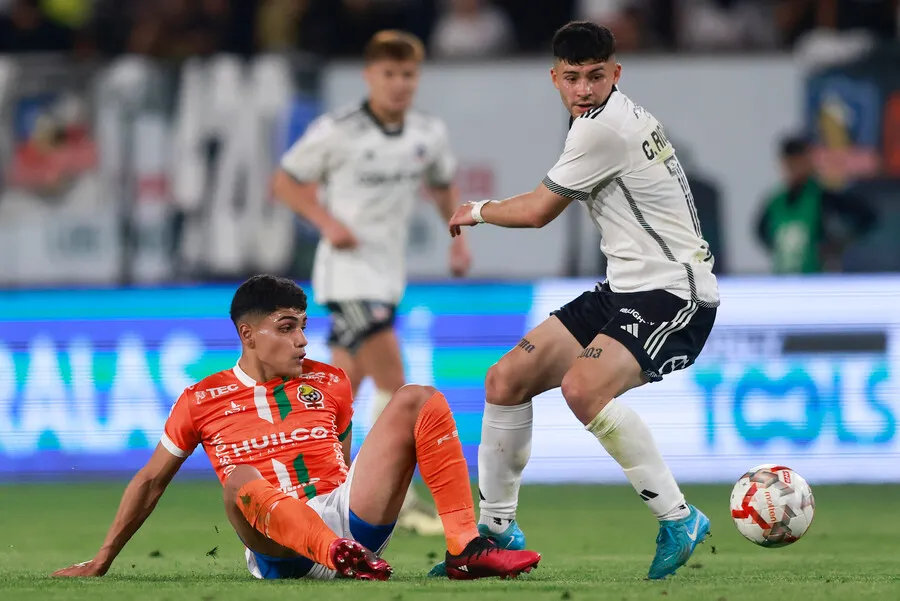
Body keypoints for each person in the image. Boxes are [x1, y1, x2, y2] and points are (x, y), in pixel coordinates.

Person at [433, 21, 719, 580]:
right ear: (555, 79)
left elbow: (539, 211)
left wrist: (477, 209)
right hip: (625, 288)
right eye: (572, 79)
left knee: (582, 386)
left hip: (674, 292)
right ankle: (494, 532)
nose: (584, 89)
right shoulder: (595, 119)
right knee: (504, 380)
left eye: (595, 77)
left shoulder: (602, 129)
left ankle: (678, 517)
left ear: (616, 73)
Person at [52, 275, 540, 581]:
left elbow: (345, 459)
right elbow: (150, 480)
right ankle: (337, 555)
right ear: (248, 334)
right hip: (278, 546)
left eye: (303, 325)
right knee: (239, 479)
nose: (303, 340)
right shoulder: (200, 399)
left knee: (417, 397)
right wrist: (103, 558)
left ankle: (464, 549)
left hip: (348, 519)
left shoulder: (331, 381)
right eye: (286, 328)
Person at [273, 29, 471, 535]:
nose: (399, 84)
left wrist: (458, 238)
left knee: (337, 391)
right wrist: (325, 221)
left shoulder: (428, 133)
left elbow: (443, 184)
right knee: (396, 383)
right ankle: (393, 496)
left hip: (386, 279)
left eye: (407, 75)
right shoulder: (336, 130)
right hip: (347, 277)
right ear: (369, 76)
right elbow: (284, 181)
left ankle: (325, 489)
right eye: (389, 74)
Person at [756, 134, 876, 274]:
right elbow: (762, 233)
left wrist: (836, 245)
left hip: (818, 281)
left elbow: (866, 218)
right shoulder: (775, 203)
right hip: (784, 278)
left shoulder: (824, 198)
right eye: (790, 160)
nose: (795, 166)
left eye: (799, 159)